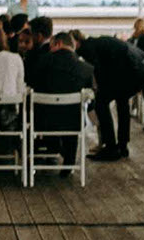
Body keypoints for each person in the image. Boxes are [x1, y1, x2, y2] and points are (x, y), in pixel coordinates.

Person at [79, 26, 144, 161]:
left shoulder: (86, 47)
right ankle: (122, 145)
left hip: (129, 70)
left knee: (101, 104)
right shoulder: (98, 41)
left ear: (77, 41)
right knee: (122, 102)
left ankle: (110, 147)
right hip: (141, 69)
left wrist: (98, 89)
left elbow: (96, 68)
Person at [25, 29, 97, 161]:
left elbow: (29, 84)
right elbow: (91, 98)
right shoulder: (86, 68)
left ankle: (47, 150)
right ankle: (69, 162)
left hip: (41, 121)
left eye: (51, 46)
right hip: (73, 123)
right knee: (72, 113)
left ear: (57, 44)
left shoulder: (40, 62)